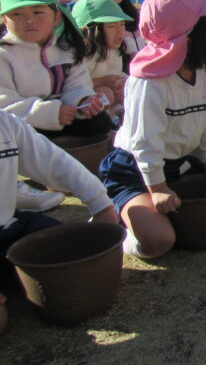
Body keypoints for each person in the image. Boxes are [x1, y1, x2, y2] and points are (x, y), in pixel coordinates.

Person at [98, 0, 206, 259]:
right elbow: (143, 141)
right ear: (192, 36)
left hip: (178, 164)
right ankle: (120, 226)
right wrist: (157, 188)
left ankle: (150, 207)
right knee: (159, 241)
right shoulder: (148, 80)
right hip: (135, 169)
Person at [0, 108, 118, 331]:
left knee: (70, 251)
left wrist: (100, 202)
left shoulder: (5, 123)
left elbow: (53, 161)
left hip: (9, 225)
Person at [0, 0, 112, 140]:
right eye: (17, 14)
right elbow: (5, 103)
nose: (29, 20)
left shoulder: (65, 48)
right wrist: (51, 113)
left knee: (100, 122)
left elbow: (77, 82)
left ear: (57, 16)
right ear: (5, 20)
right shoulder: (4, 55)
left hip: (62, 115)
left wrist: (82, 100)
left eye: (38, 11)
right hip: (23, 125)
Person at [71, 0, 133, 124]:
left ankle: (120, 116)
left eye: (122, 24)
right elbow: (74, 85)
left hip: (112, 97)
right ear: (88, 30)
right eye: (111, 26)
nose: (120, 31)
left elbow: (116, 73)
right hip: (88, 101)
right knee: (105, 94)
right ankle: (107, 123)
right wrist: (102, 81)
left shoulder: (114, 50)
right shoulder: (85, 54)